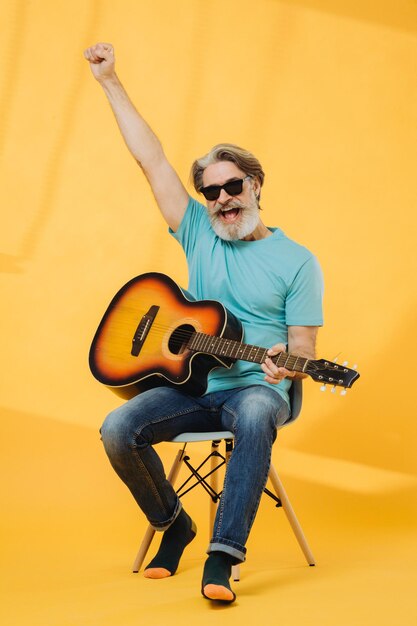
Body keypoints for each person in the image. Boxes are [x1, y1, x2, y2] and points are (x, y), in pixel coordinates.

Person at [84, 42, 324, 604]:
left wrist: (284, 371)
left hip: (257, 391)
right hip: (192, 386)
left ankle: (223, 554)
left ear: (256, 185)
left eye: (232, 186)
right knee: (117, 430)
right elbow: (151, 159)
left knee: (261, 410)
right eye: (210, 191)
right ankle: (176, 526)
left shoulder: (298, 261)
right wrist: (110, 80)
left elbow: (304, 350)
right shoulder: (197, 231)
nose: (221, 199)